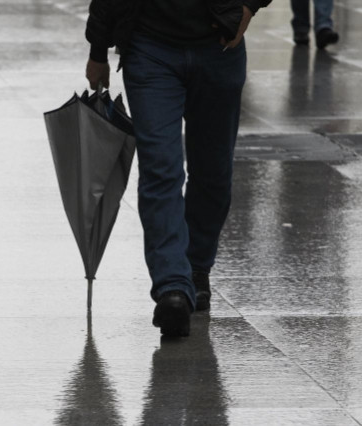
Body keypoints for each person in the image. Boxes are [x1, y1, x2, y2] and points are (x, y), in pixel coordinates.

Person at [84, 0, 271, 337]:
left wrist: (248, 6)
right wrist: (98, 49)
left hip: (219, 48)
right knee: (160, 169)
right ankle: (172, 286)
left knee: (213, 174)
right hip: (149, 48)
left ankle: (196, 266)